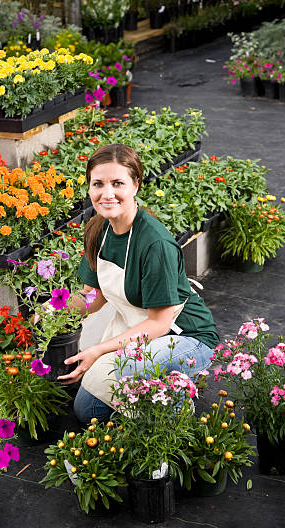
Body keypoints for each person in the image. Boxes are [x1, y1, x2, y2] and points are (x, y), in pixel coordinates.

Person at [57, 144, 219, 424]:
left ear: (136, 185)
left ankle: (175, 412)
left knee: (110, 389)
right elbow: (92, 298)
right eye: (98, 184)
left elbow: (159, 323)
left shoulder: (155, 243)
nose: (107, 194)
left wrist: (98, 350)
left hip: (184, 337)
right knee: (88, 410)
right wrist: (49, 312)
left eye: (117, 183)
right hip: (137, 328)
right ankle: (152, 399)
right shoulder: (98, 230)